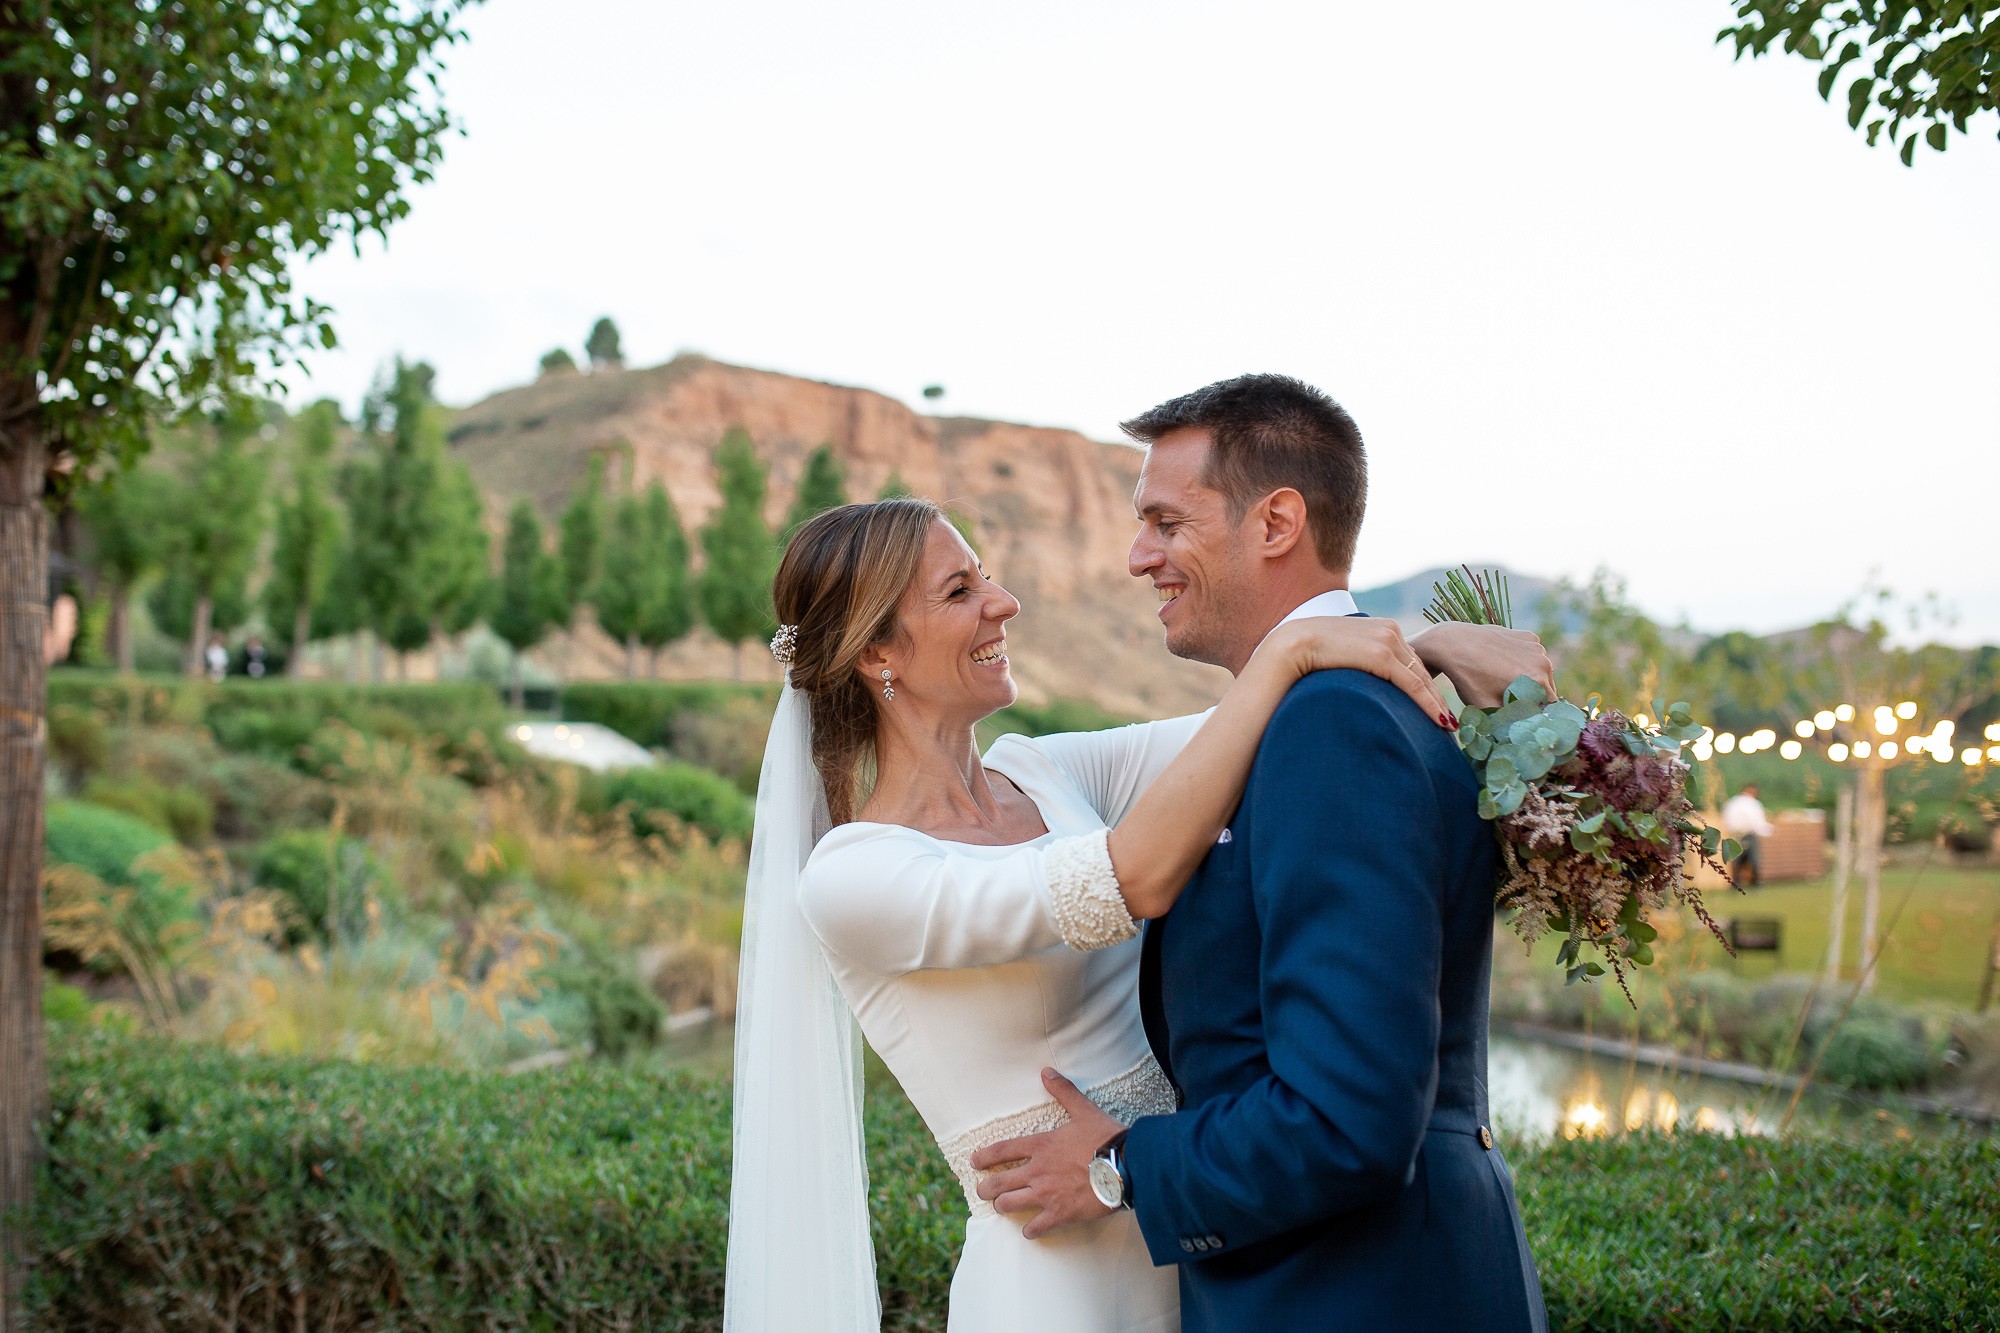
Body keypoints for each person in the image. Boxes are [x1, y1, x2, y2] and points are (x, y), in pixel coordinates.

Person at [723, 489, 1553, 1332]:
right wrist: (1296, 645)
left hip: (1190, 1234)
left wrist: (1431, 646)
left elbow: (1261, 719)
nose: (1003, 604)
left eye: (989, 578)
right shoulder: (855, 877)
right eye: (959, 591)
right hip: (1057, 1280)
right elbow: (1133, 879)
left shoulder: (1049, 772)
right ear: (876, 655)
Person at [967, 375, 1549, 1332]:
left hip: (1356, 1293)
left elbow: (1347, 1116)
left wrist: (1120, 1166)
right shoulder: (1310, 707)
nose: (1136, 556)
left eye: (1164, 521)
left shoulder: (1334, 725)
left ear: (1277, 520)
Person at [1722, 783, 1774, 887]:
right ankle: (1755, 883)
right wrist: (1768, 831)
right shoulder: (1753, 804)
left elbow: (1727, 819)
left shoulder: (1732, 802)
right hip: (1749, 834)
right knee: (1753, 859)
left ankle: (1736, 883)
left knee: (1736, 860)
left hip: (1734, 835)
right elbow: (1757, 822)